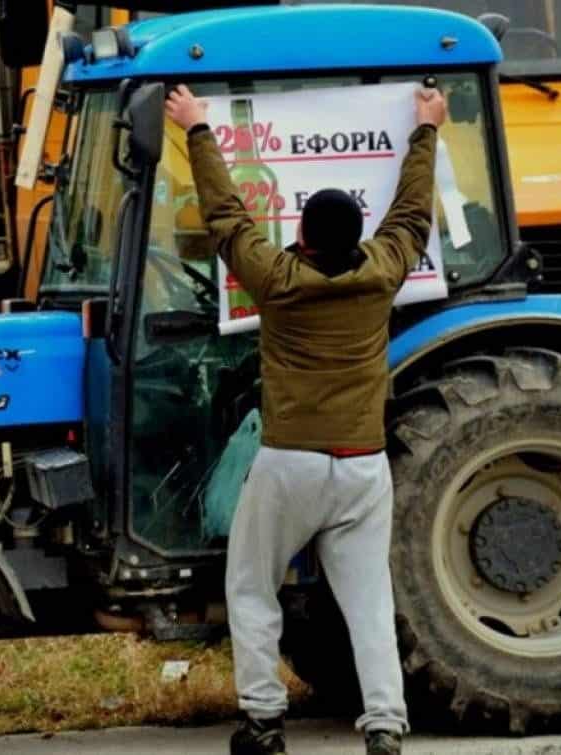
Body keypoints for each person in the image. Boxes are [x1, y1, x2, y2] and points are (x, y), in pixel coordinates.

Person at [164, 83, 446, 755]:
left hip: (289, 463)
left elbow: (226, 216)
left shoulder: (278, 281)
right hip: (363, 466)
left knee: (251, 586)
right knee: (369, 601)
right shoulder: (382, 271)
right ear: (358, 236)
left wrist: (198, 128)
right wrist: (427, 129)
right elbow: (411, 214)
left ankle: (264, 722)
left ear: (300, 235)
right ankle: (385, 724)